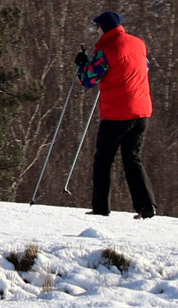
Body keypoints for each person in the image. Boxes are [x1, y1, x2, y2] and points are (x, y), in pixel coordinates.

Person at [75, 11, 157, 219]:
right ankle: (146, 206)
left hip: (117, 114)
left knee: (103, 159)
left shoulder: (106, 49)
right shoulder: (139, 44)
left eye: (98, 27)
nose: (97, 31)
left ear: (104, 28)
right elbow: (143, 67)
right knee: (132, 158)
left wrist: (80, 65)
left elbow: (88, 80)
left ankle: (101, 208)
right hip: (142, 112)